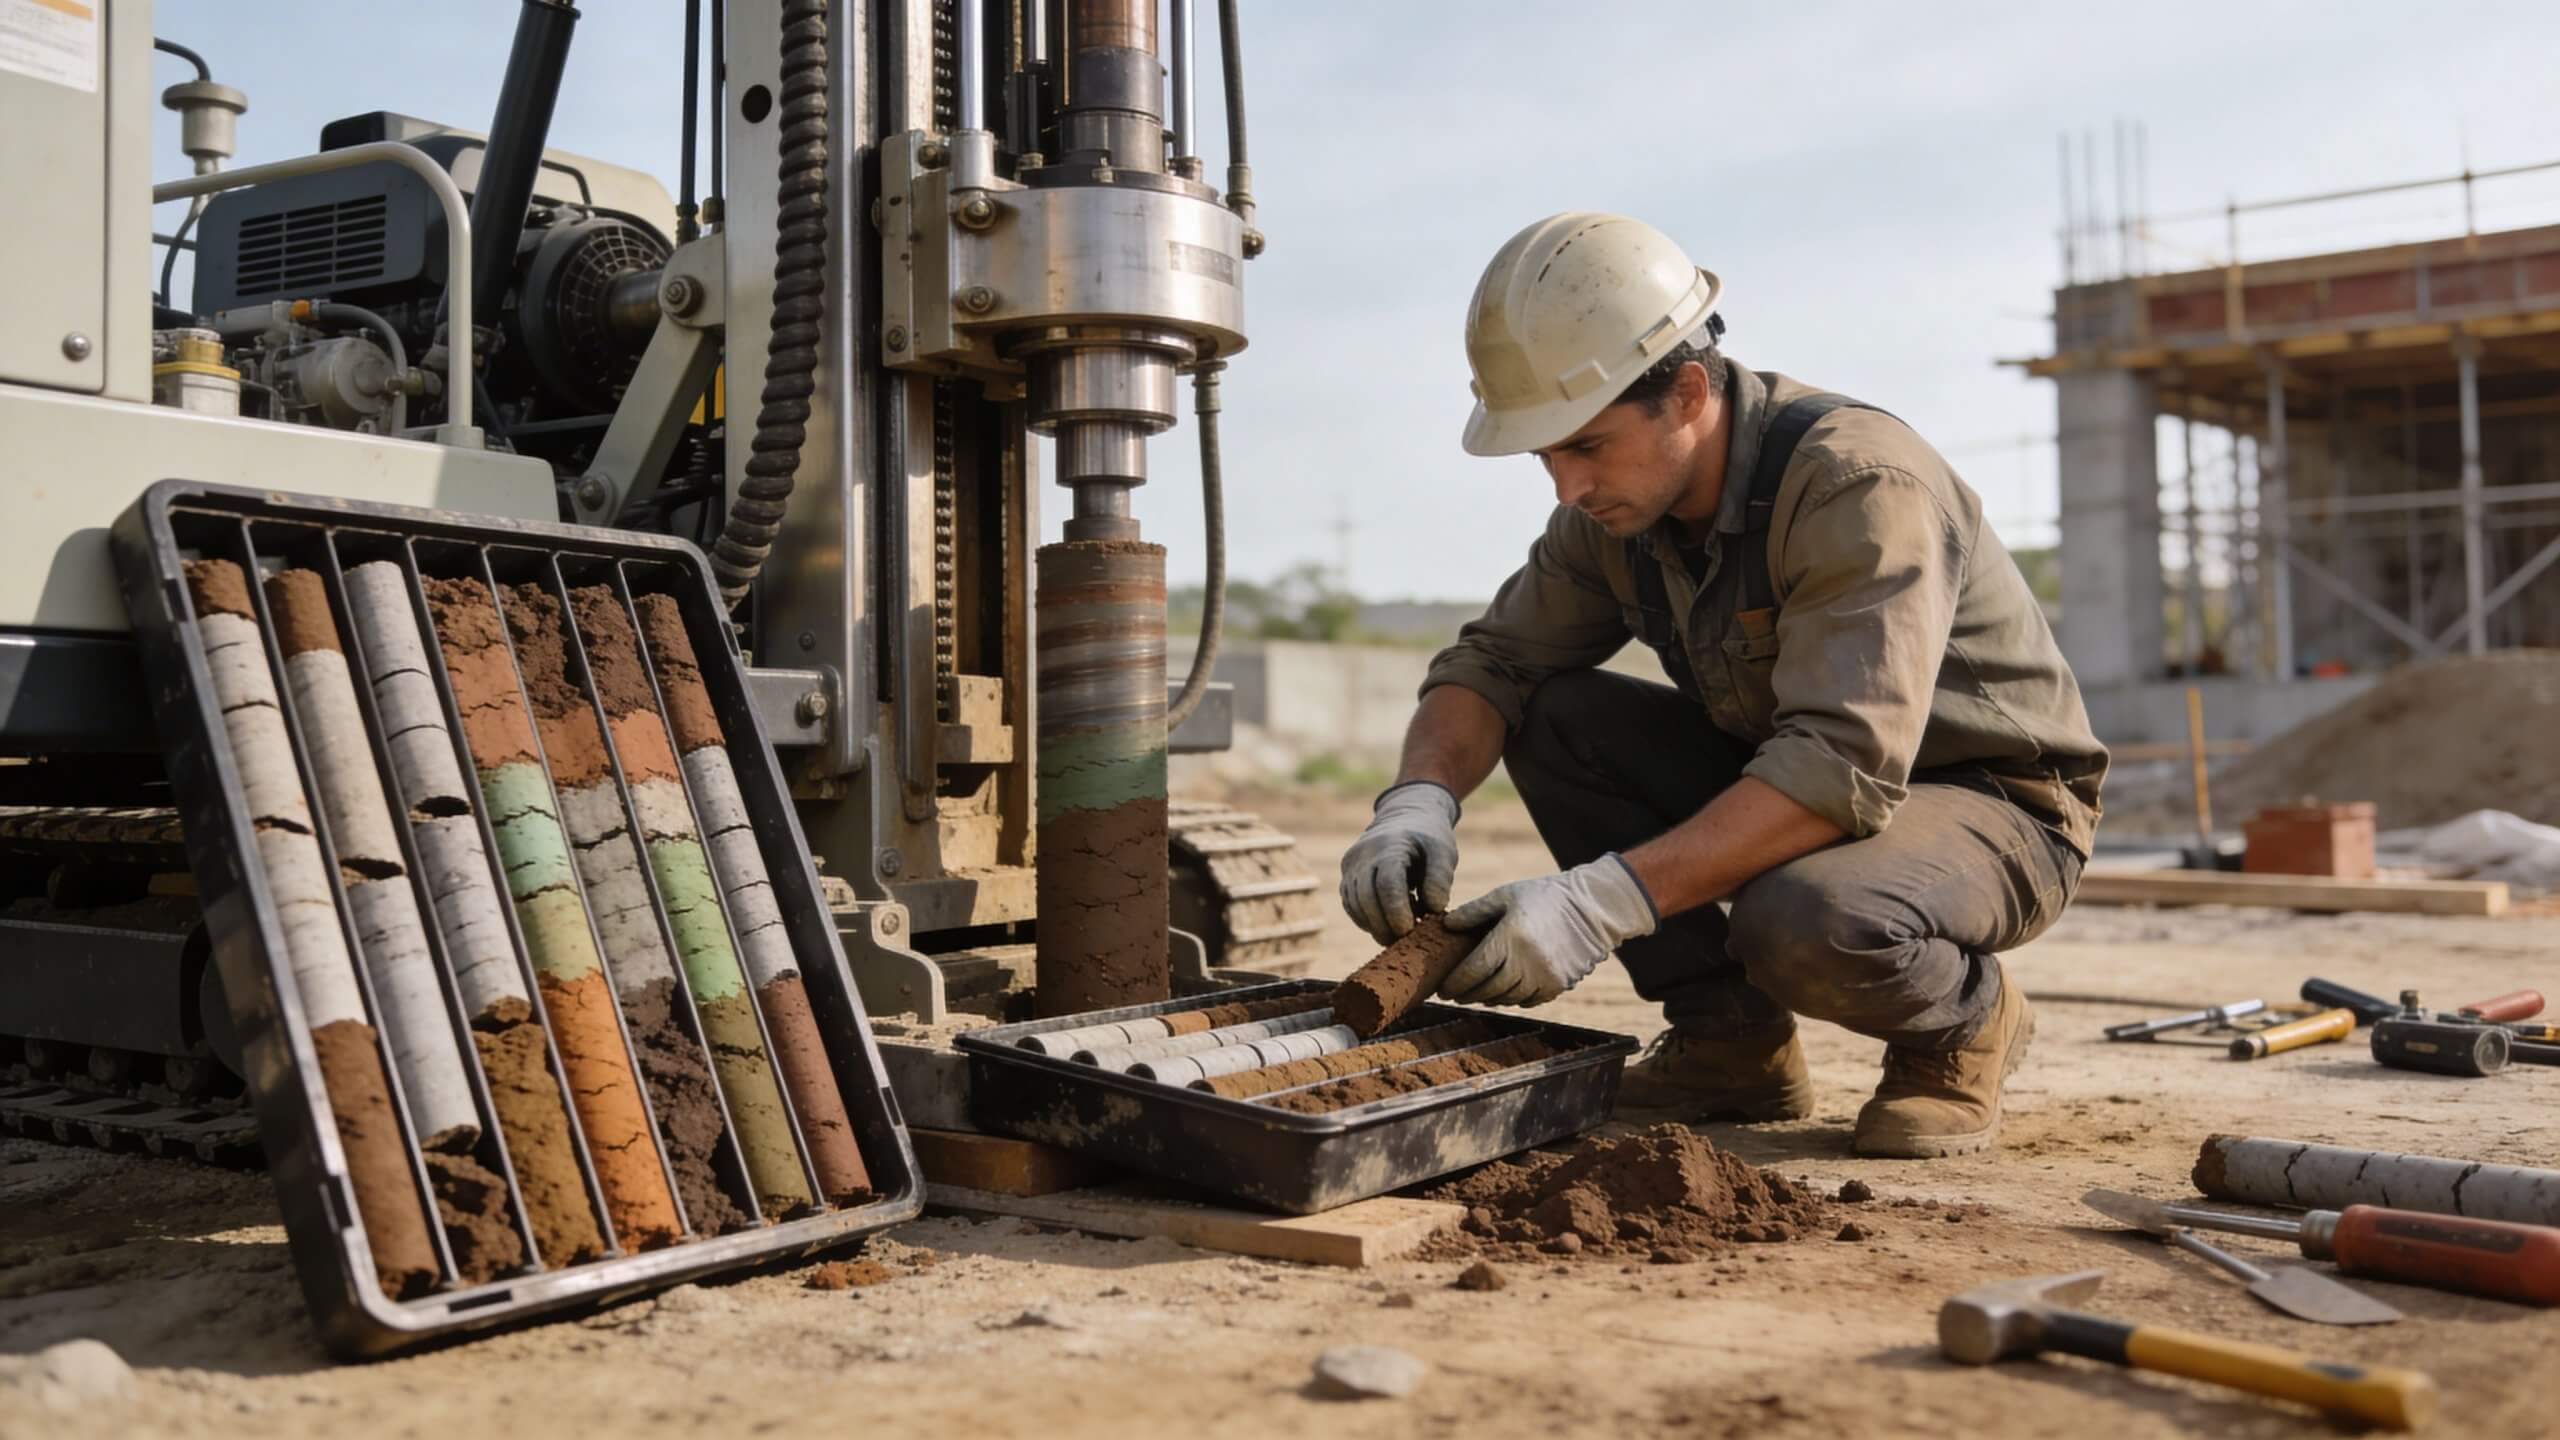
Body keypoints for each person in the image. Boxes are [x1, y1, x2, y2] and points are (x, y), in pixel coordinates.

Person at [1341, 213, 2107, 1158]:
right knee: (1553, 712)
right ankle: (1731, 1046)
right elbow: (1494, 664)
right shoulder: (1615, 513)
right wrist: (1416, 802)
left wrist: (1599, 902)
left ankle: (1961, 1023)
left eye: (1585, 445)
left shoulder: (1858, 485)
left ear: (1689, 392)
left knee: (1808, 918)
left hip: (1993, 805)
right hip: (1797, 779)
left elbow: (1840, 764)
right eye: (1545, 456)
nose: (1564, 488)